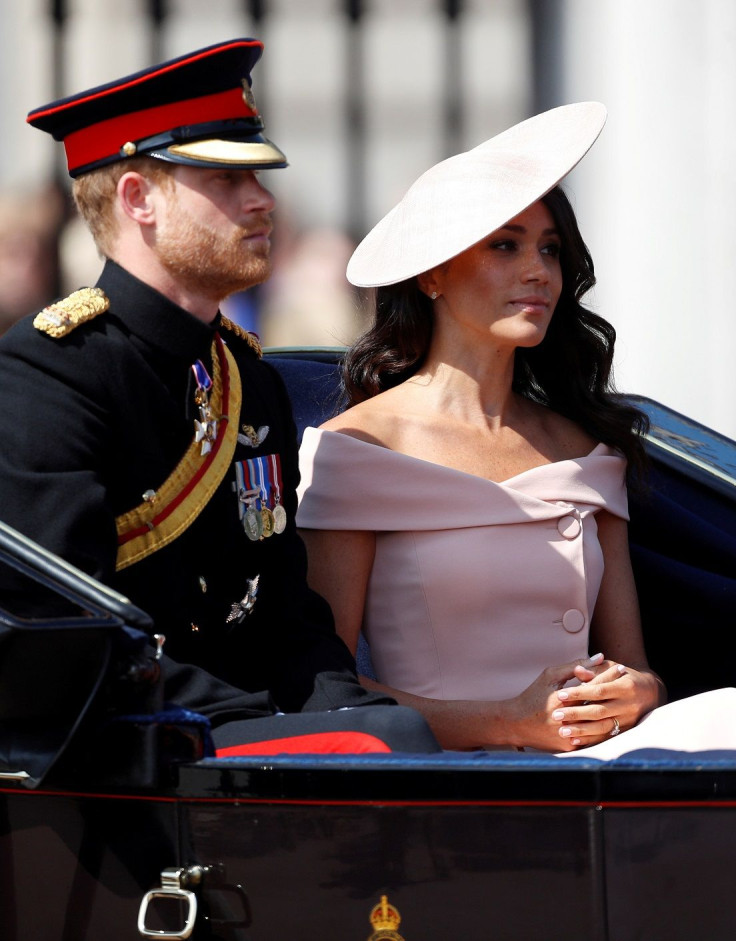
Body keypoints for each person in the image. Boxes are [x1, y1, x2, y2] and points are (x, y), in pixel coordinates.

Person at [0, 39, 440, 759]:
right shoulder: (49, 372)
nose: (262, 200)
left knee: (396, 738)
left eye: (258, 177)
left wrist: (345, 709)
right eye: (223, 180)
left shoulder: (244, 376)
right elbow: (64, 632)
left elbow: (288, 617)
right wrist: (267, 719)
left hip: (228, 734)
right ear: (138, 199)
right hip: (131, 752)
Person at [296, 102, 735, 758]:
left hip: (593, 776)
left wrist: (636, 693)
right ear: (433, 273)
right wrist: (511, 721)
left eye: (550, 249)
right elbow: (325, 694)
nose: (539, 271)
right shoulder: (356, 449)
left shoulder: (586, 446)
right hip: (445, 789)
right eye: (506, 244)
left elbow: (635, 666)